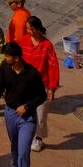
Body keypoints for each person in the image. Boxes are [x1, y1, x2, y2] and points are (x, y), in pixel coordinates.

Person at [22, 17, 61, 150]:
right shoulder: (24, 41)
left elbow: (53, 66)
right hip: (25, 84)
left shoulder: (47, 46)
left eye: (31, 29)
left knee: (40, 115)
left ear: (38, 29)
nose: (29, 32)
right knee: (25, 112)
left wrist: (52, 87)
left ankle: (38, 138)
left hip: (41, 86)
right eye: (27, 29)